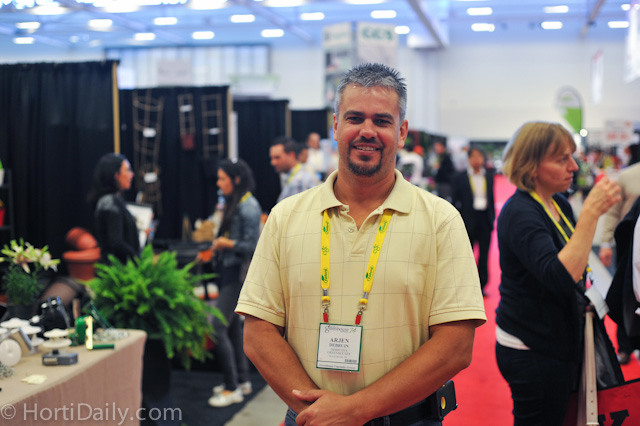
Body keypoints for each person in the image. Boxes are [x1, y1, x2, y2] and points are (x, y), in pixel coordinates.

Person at [236, 63, 486, 426]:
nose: (367, 131)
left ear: (401, 132)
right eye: (355, 118)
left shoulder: (440, 221)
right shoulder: (286, 217)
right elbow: (258, 332)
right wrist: (319, 414)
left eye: (382, 121)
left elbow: (456, 346)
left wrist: (354, 411)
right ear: (336, 126)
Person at [495, 121, 622, 425]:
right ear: (532, 166)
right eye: (562, 159)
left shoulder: (558, 204)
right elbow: (560, 277)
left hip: (556, 338)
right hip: (532, 347)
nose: (574, 166)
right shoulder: (520, 212)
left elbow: (573, 263)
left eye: (571, 157)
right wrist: (590, 215)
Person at [207, 158, 262, 408]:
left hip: (238, 273)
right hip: (229, 270)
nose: (219, 184)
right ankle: (242, 381)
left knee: (217, 326)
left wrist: (224, 243)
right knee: (231, 328)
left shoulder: (248, 206)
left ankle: (232, 388)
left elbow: (251, 245)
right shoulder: (237, 202)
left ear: (236, 179)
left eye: (222, 179)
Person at [598, 150, 640, 364]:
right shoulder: (628, 176)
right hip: (628, 247)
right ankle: (624, 347)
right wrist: (606, 242)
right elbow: (614, 212)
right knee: (626, 296)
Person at [451, 146, 495, 295]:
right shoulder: (460, 177)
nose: (476, 160)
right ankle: (465, 286)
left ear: (483, 158)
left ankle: (481, 285)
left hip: (485, 219)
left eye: (479, 156)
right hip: (468, 219)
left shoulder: (489, 175)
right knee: (466, 255)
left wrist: (492, 218)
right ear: (469, 159)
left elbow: (491, 197)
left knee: (484, 255)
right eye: (473, 156)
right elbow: (455, 201)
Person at [87, 153, 140, 264]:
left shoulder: (111, 201)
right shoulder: (109, 203)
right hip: (116, 269)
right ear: (115, 175)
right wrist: (138, 259)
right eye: (127, 170)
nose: (131, 174)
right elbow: (116, 243)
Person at [269, 136, 318, 203]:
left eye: (277, 157)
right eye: (272, 158)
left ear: (291, 155)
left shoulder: (299, 181)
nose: (273, 162)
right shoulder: (294, 177)